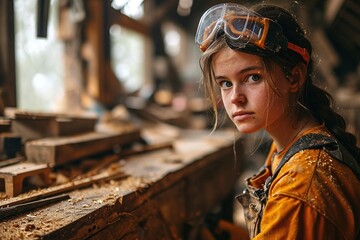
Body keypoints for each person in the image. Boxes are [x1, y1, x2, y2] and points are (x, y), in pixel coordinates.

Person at [195, 3, 360, 240]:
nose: (235, 98)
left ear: (294, 77)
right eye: (225, 83)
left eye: (252, 77)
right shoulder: (288, 144)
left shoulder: (300, 186)